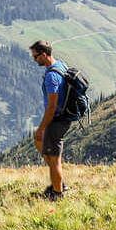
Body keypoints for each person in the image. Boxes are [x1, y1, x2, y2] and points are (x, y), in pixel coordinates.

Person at [30, 41, 72, 201]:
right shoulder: (60, 65)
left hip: (56, 120)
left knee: (54, 159)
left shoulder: (52, 76)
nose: (34, 60)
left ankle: (57, 193)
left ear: (44, 54)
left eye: (35, 56)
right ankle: (58, 183)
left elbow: (52, 106)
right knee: (43, 146)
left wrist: (41, 127)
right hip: (63, 118)